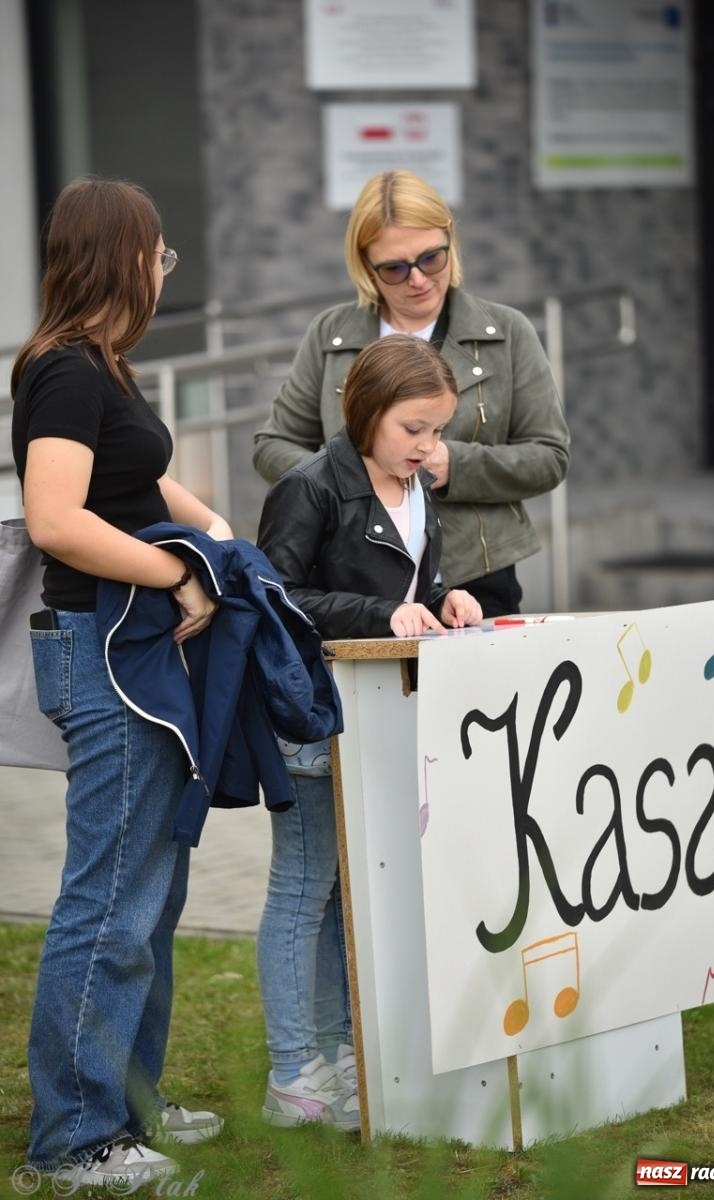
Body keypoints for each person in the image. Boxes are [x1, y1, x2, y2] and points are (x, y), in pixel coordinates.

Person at [11, 178, 232, 1189]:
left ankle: (131, 1104)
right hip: (102, 646)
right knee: (107, 899)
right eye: (158, 253)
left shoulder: (103, 368)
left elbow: (137, 483)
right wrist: (178, 570)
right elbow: (58, 518)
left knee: (152, 885)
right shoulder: (61, 373)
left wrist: (219, 536)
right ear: (121, 256)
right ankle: (75, 1138)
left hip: (133, 647)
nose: (161, 269)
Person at [255, 333, 483, 1128]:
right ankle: (294, 1075)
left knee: (343, 897)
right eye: (412, 429)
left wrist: (448, 598)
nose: (428, 447)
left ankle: (334, 1054)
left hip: (379, 719)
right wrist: (377, 614)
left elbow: (416, 579)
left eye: (437, 430)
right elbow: (273, 596)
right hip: (312, 718)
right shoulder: (309, 486)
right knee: (303, 888)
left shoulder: (417, 490)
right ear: (366, 413)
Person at [253, 168, 570, 619]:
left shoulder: (506, 332)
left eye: (432, 259)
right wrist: (348, 483)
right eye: (395, 268)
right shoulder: (331, 334)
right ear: (365, 267)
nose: (418, 279)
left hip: (472, 578)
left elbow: (550, 456)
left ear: (451, 241)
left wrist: (453, 463)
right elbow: (273, 445)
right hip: (351, 584)